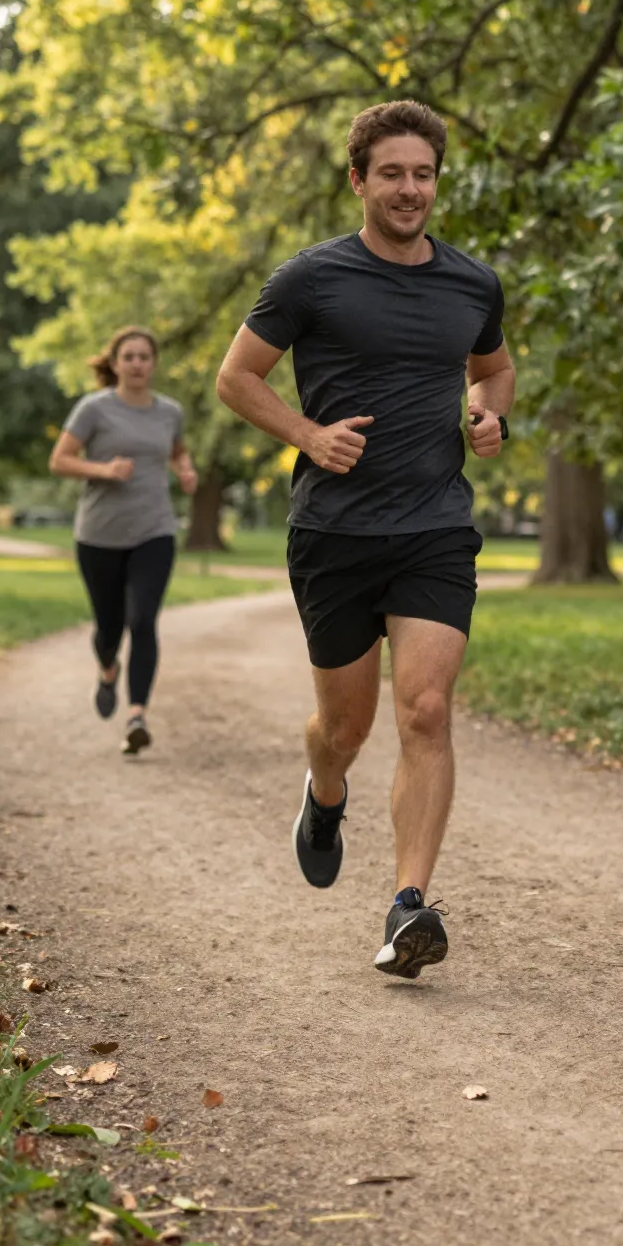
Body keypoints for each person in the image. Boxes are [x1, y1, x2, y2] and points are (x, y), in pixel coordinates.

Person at [215, 100, 512, 980]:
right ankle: (325, 791)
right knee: (344, 729)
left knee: (426, 710)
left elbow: (491, 369)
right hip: (335, 534)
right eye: (392, 173)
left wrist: (487, 417)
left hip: (435, 528)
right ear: (358, 180)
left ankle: (409, 906)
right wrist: (307, 435)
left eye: (423, 173)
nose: (410, 189)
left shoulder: (472, 283)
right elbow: (236, 379)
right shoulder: (309, 279)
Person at [49, 325, 197, 756]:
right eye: (128, 357)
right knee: (109, 626)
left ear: (154, 364)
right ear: (114, 364)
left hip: (155, 530)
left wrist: (185, 470)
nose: (136, 364)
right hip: (99, 535)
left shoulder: (169, 411)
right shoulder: (93, 409)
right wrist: (103, 471)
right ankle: (108, 667)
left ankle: (136, 715)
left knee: (143, 621)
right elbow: (59, 460)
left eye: (144, 357)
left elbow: (176, 450)